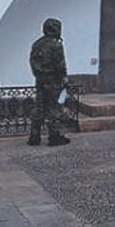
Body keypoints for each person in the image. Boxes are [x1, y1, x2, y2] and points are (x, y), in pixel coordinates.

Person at [28, 18, 71, 146]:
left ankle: (34, 136)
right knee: (55, 109)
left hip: (40, 80)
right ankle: (54, 137)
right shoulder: (56, 45)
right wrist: (64, 79)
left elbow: (32, 62)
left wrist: (39, 74)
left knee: (39, 108)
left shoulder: (37, 44)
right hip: (53, 81)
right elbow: (60, 65)